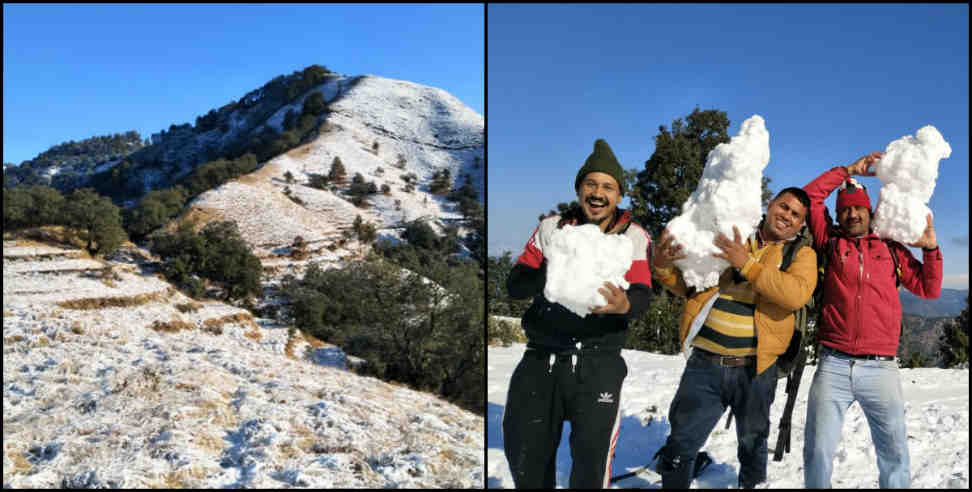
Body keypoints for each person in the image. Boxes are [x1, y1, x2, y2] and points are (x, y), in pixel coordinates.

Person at [503, 138, 653, 488]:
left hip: (598, 363)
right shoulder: (551, 229)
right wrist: (553, 270)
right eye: (591, 184)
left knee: (591, 463)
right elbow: (515, 285)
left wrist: (626, 305)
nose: (598, 193)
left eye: (608, 187)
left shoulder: (634, 237)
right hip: (542, 358)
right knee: (526, 454)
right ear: (579, 188)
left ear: (618, 196)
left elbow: (644, 294)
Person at [650, 187, 817, 489]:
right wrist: (662, 266)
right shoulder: (731, 234)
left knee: (753, 442)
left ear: (801, 225)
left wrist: (747, 264)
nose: (787, 216)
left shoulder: (801, 255)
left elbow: (794, 295)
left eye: (796, 215)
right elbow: (692, 285)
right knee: (681, 441)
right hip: (705, 364)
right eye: (784, 206)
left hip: (756, 368)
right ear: (769, 205)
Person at [802, 152, 942, 488]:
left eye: (857, 208)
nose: (851, 214)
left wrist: (931, 249)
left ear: (870, 211)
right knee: (818, 451)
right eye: (845, 209)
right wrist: (847, 171)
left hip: (881, 367)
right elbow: (809, 197)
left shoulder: (890, 248)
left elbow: (929, 288)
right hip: (833, 363)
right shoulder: (831, 242)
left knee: (894, 455)